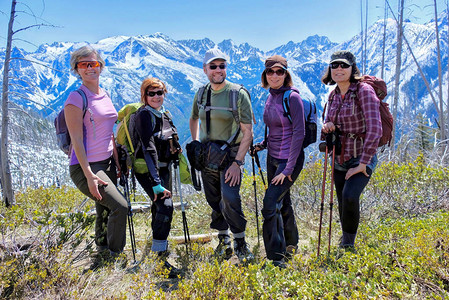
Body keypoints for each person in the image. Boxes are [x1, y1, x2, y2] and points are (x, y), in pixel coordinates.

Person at [64, 46, 128, 268]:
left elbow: (108, 131)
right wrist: (89, 175)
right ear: (77, 70)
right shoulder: (76, 99)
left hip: (108, 162)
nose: (90, 68)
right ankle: (114, 256)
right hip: (86, 166)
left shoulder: (105, 94)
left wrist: (117, 162)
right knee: (121, 207)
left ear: (101, 66)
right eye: (84, 64)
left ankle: (102, 253)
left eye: (94, 63)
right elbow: (77, 141)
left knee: (105, 209)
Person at [189, 48, 254, 263]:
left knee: (230, 197)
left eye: (222, 66)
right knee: (214, 199)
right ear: (205, 69)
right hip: (208, 154)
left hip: (230, 156)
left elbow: (248, 132)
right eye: (213, 66)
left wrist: (237, 163)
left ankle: (241, 242)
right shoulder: (201, 94)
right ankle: (223, 240)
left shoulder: (238, 94)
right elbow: (193, 118)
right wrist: (196, 142)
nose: (218, 70)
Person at [321, 50, 382, 249]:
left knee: (349, 195)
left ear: (352, 68)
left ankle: (348, 245)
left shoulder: (364, 91)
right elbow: (328, 119)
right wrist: (328, 124)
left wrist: (363, 163)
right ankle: (346, 239)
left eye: (344, 65)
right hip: (339, 155)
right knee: (341, 200)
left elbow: (375, 128)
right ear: (330, 70)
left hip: (361, 155)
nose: (339, 69)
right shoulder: (334, 95)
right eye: (335, 65)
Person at [253, 55, 305, 268]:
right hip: (273, 157)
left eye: (279, 71)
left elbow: (299, 133)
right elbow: (276, 128)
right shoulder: (270, 96)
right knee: (284, 201)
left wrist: (289, 169)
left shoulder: (292, 98)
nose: (275, 75)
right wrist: (262, 145)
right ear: (265, 75)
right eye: (270, 72)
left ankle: (276, 258)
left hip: (288, 161)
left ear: (286, 74)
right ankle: (291, 243)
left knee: (270, 204)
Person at [132, 77, 181, 278]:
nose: (156, 96)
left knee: (158, 208)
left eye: (159, 92)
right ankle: (159, 259)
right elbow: (148, 147)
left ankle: (157, 249)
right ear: (144, 96)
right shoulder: (144, 115)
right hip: (149, 170)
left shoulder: (163, 114)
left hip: (163, 168)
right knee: (165, 206)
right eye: (151, 93)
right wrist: (156, 183)